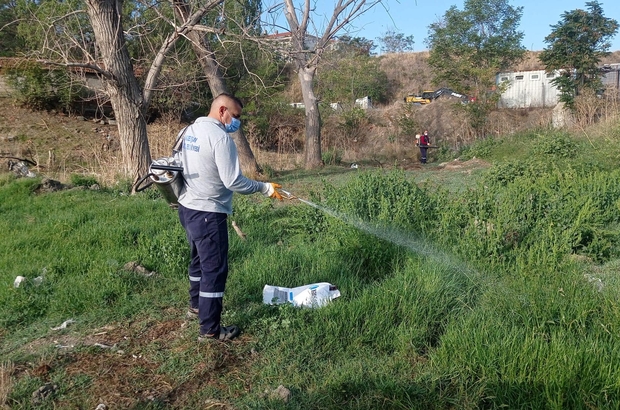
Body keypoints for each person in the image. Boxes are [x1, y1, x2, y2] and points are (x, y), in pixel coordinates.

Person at [175, 93, 282, 342]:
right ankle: (210, 330)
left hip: (187, 208)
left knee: (198, 261)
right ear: (222, 110)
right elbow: (233, 181)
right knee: (214, 270)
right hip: (209, 213)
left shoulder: (189, 131)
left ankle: (196, 306)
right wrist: (264, 188)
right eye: (235, 116)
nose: (236, 122)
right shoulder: (220, 138)